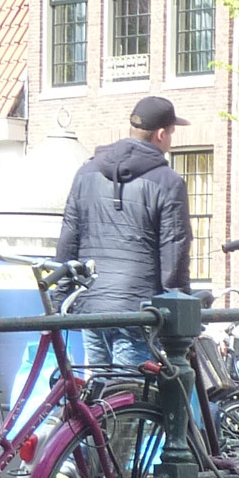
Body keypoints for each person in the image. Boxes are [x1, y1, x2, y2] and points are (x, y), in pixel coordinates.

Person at [56, 95, 194, 375]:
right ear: (160, 134)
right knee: (129, 395)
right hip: (137, 308)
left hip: (91, 302)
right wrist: (180, 304)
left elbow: (69, 236)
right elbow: (174, 248)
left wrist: (63, 294)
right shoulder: (168, 182)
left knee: (99, 394)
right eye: (171, 133)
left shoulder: (86, 172)